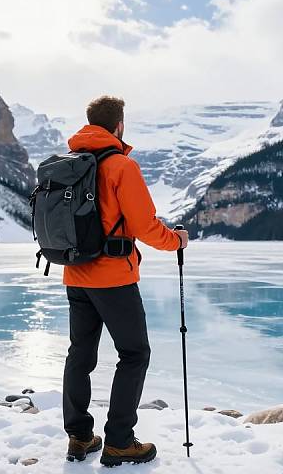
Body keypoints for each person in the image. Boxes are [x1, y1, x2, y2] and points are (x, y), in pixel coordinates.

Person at [62, 95, 189, 467]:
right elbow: (144, 225)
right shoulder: (121, 166)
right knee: (134, 354)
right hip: (113, 276)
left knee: (80, 354)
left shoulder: (70, 164)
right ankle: (119, 441)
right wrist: (176, 240)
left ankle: (80, 437)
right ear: (119, 125)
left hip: (75, 274)